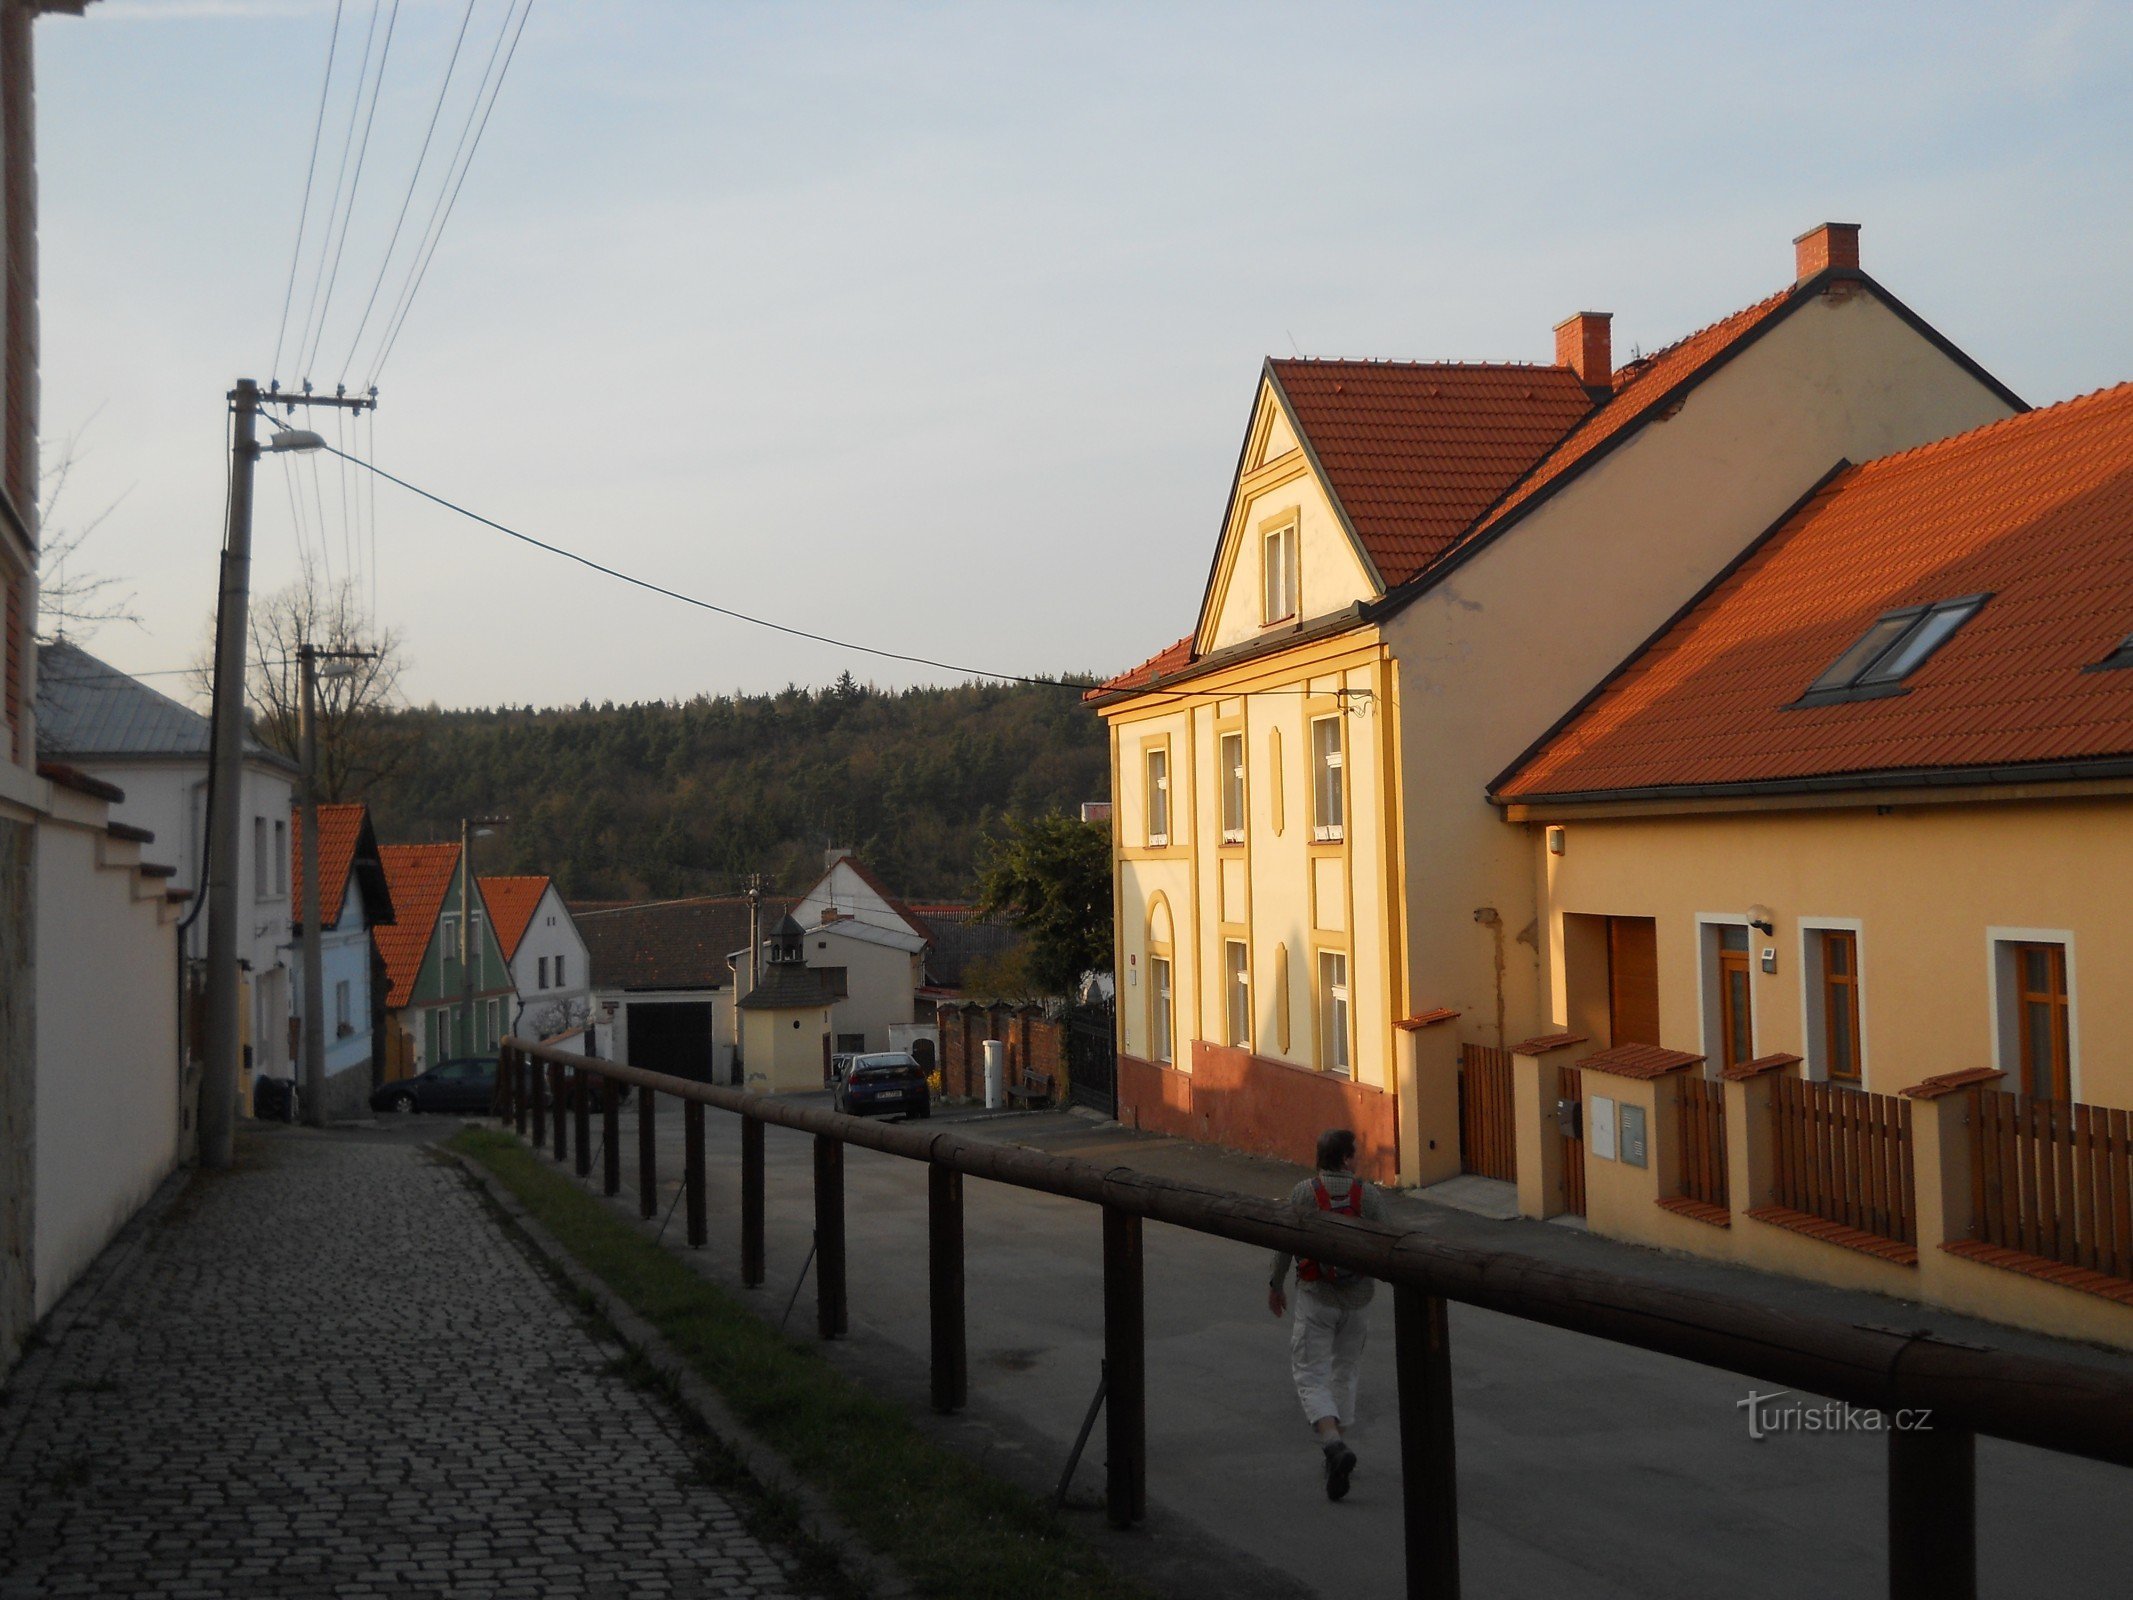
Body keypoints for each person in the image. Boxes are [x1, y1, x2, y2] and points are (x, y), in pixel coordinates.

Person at [1267, 1127, 1385, 1501]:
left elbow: (1285, 1241)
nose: (1359, 1158)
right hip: (1358, 1299)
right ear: (1346, 1159)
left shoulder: (1304, 1192)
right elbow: (1388, 1240)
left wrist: (1275, 1284)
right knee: (1345, 1370)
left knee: (1309, 1372)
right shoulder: (1367, 1195)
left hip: (1316, 1296)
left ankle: (1333, 1445)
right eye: (1356, 1153)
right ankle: (1337, 1450)